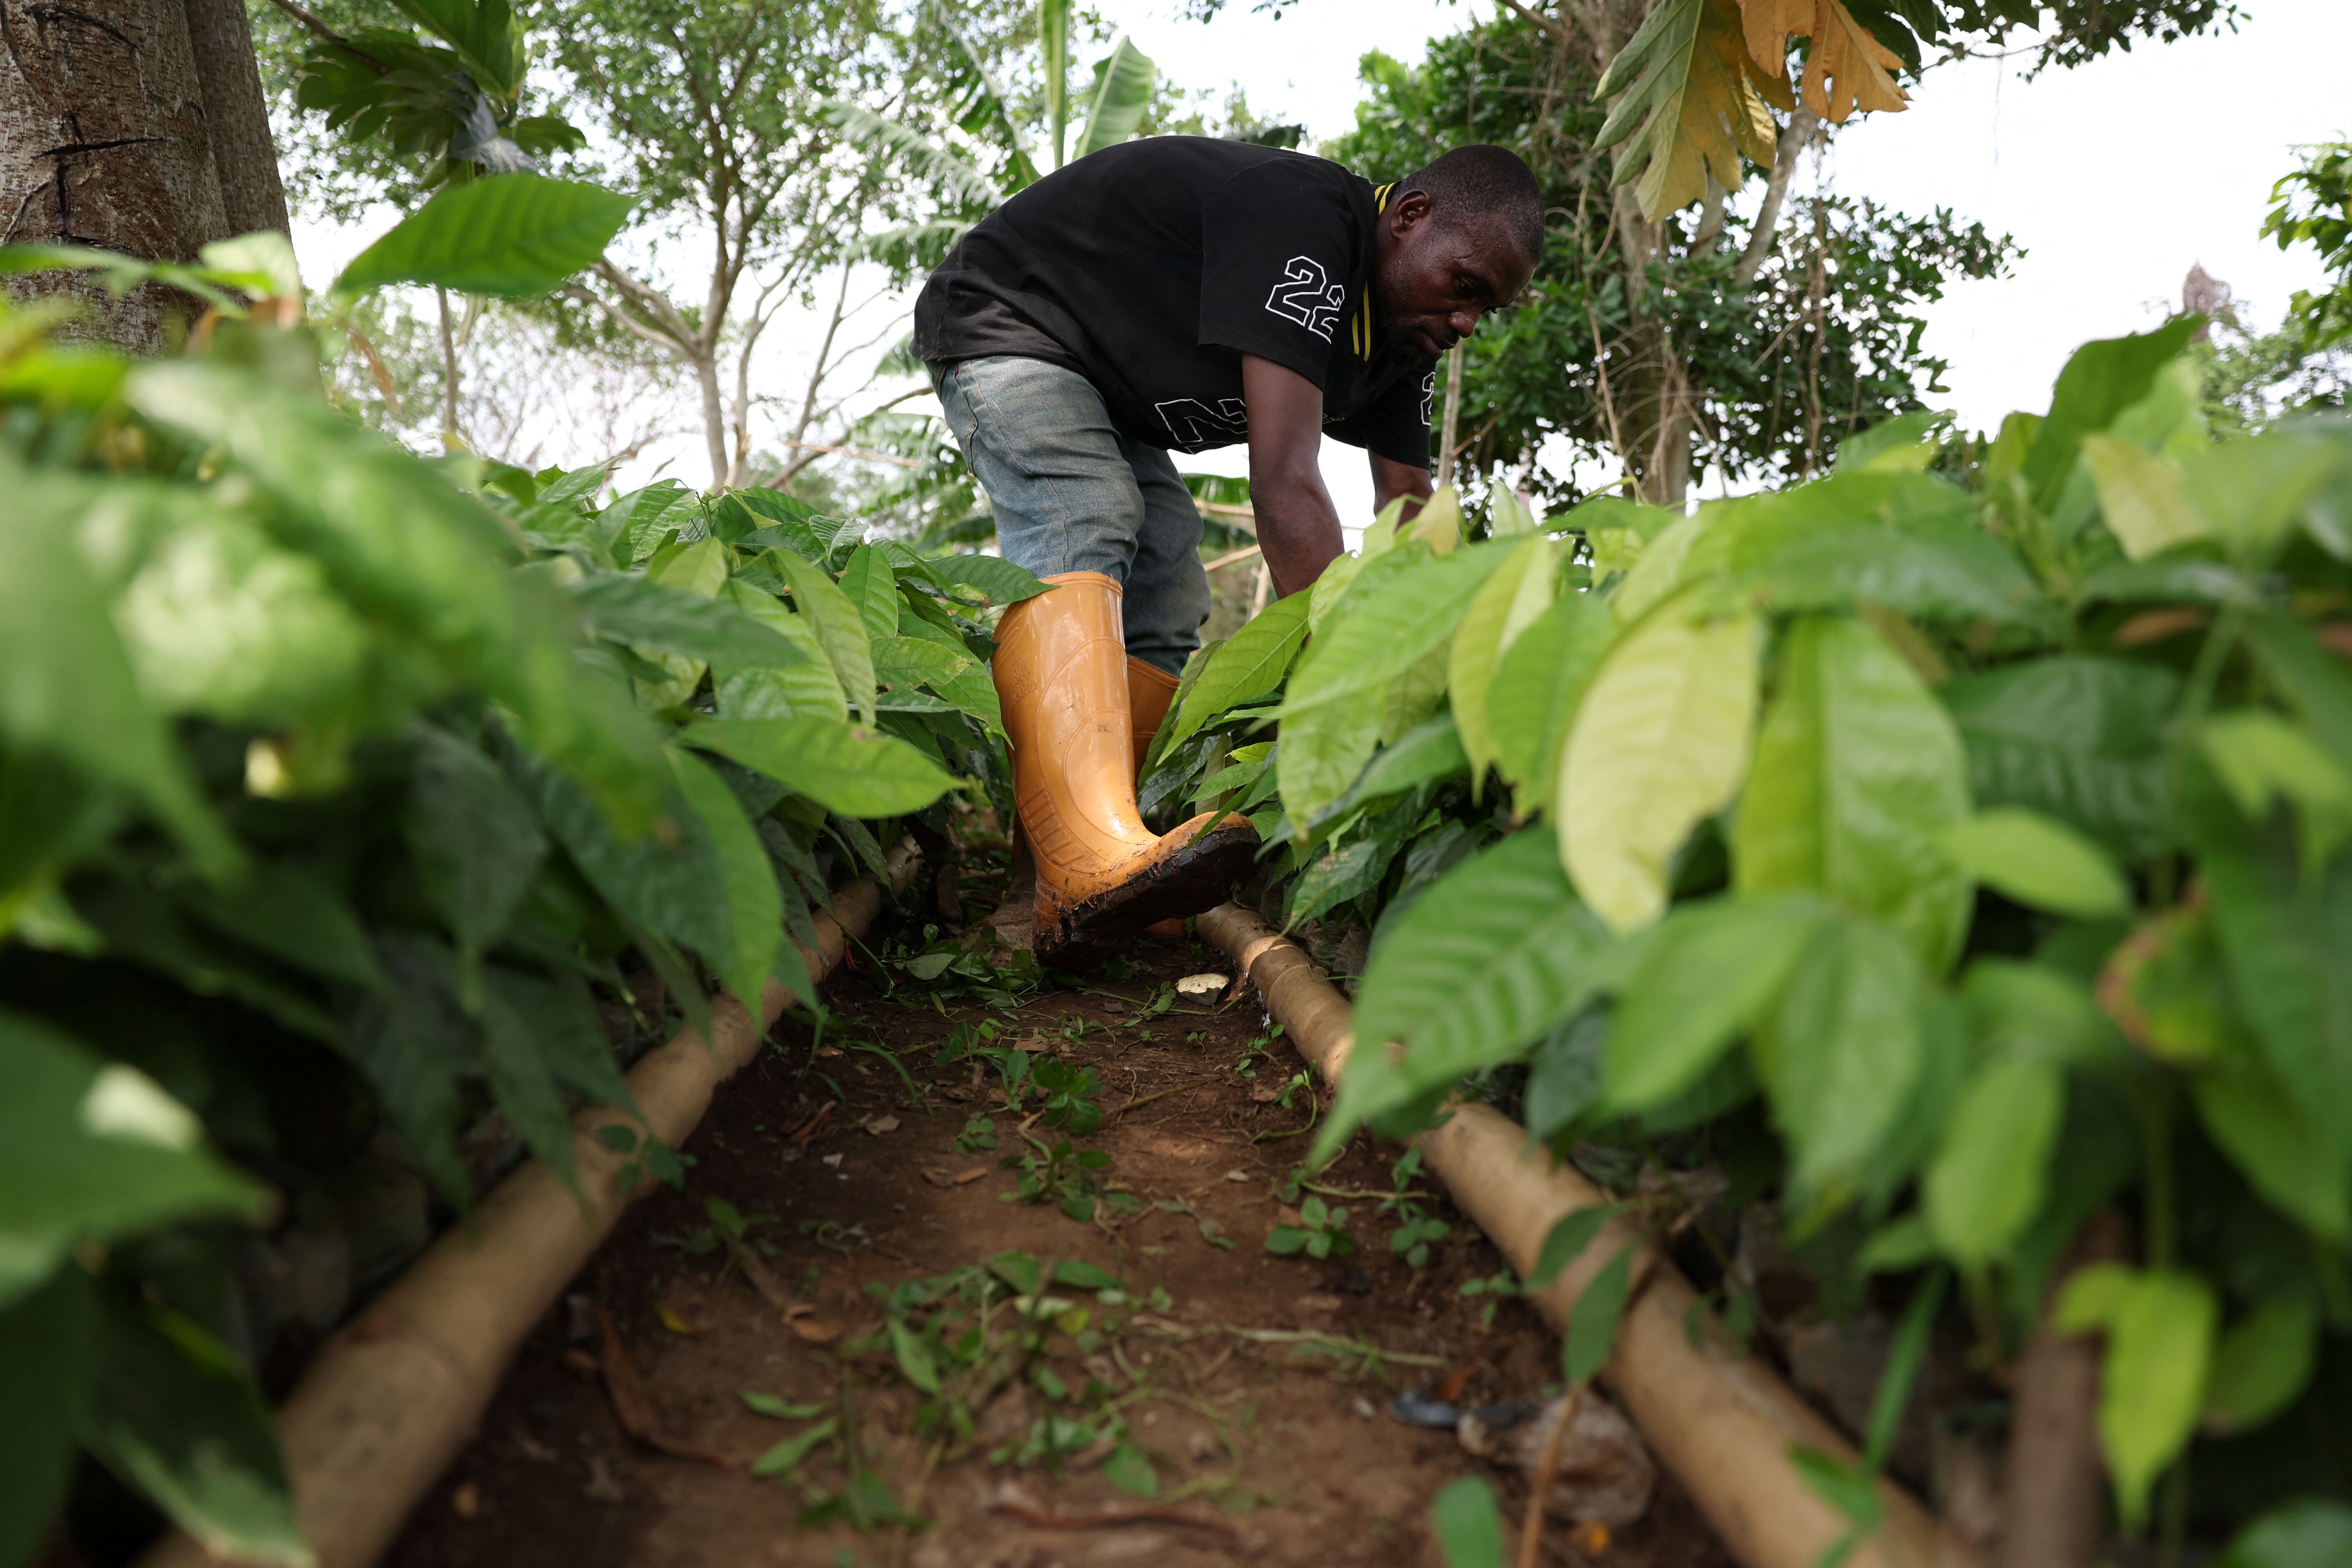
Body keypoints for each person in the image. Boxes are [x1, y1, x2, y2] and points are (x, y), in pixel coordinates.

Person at [916, 138, 1543, 965]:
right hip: (1013, 318)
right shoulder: (1311, 227)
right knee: (1084, 509)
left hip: (1099, 381)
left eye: (1484, 309)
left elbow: (1409, 517)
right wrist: (1345, 683)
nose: (1466, 321)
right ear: (1410, 217)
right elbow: (1286, 481)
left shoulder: (1406, 338)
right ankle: (1084, 856)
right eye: (1463, 286)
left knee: (1169, 566)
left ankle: (1077, 871)